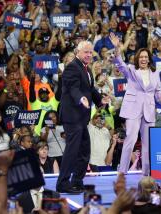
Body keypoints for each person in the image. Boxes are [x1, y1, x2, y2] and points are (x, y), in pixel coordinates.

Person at [109, 32, 161, 176]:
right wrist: (117, 48)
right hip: (132, 109)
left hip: (148, 110)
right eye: (141, 57)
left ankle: (147, 173)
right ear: (137, 59)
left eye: (145, 57)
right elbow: (119, 63)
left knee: (148, 143)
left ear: (149, 59)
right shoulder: (131, 70)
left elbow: (158, 91)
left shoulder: (155, 73)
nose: (143, 59)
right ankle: (122, 172)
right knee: (130, 139)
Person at [56, 40, 107, 193]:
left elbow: (90, 89)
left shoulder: (86, 68)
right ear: (78, 52)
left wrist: (100, 101)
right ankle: (62, 184)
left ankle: (77, 181)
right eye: (86, 52)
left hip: (81, 118)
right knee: (72, 150)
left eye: (91, 52)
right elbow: (73, 88)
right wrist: (80, 98)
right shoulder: (72, 67)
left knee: (84, 151)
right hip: (72, 117)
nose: (89, 55)